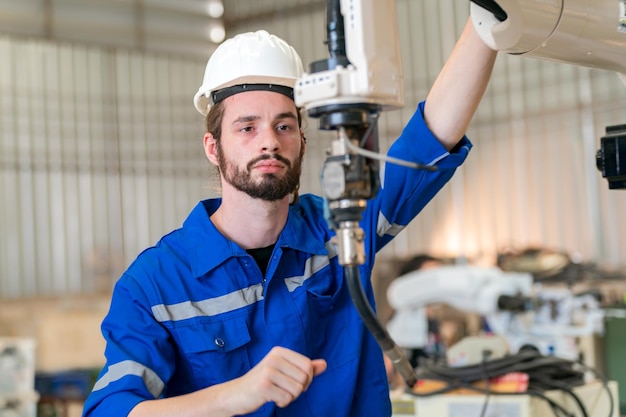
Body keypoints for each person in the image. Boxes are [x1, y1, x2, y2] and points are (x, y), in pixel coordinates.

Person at [82, 17, 497, 417]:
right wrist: (236, 395)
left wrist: (487, 24)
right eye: (246, 128)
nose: (269, 142)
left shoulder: (341, 230)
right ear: (213, 147)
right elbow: (113, 409)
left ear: (301, 138)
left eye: (284, 125)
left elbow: (429, 141)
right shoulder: (155, 284)